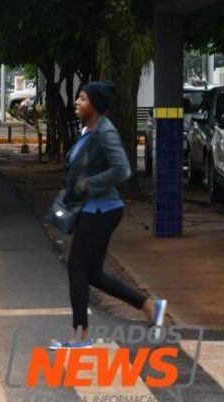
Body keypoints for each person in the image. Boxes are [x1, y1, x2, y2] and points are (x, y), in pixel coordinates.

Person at [51, 81, 167, 350]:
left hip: (101, 209)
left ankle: (81, 337)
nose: (77, 102)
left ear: (95, 104)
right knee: (93, 273)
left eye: (82, 98)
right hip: (93, 209)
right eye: (77, 97)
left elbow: (123, 169)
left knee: (76, 267)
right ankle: (149, 306)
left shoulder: (105, 132)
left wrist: (89, 184)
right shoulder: (89, 131)